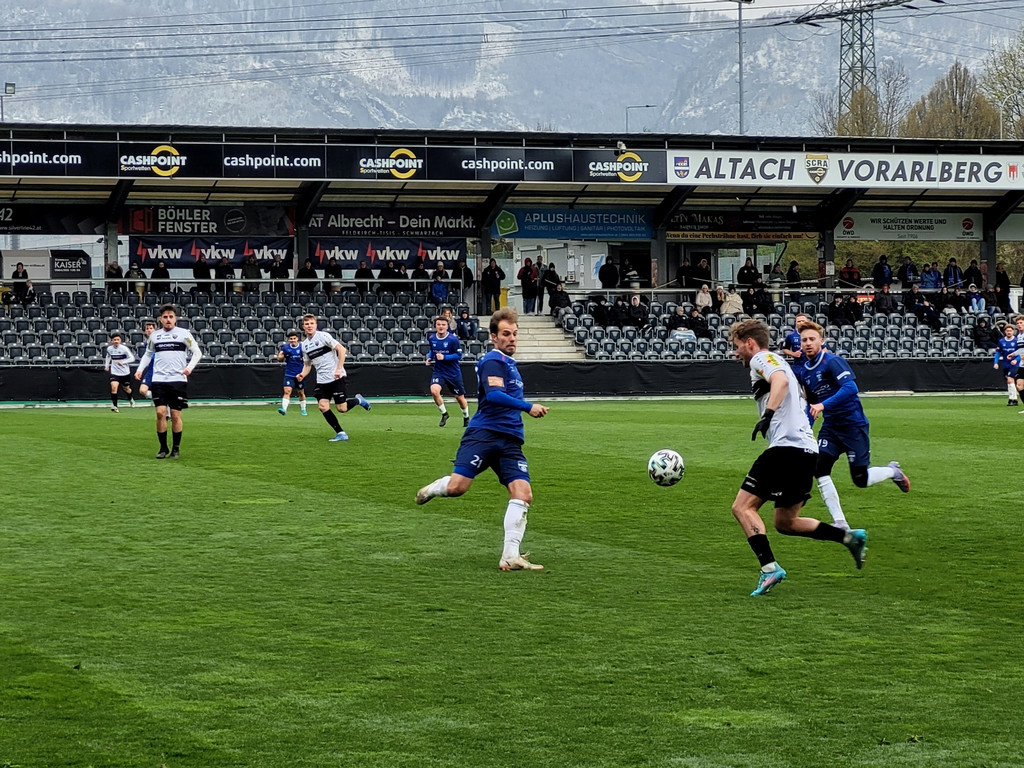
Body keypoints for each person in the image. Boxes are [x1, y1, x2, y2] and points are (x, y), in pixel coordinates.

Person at [728, 318, 867, 597]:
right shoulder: (782, 362)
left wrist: (768, 414)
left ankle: (769, 569)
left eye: (737, 346)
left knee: (742, 508)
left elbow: (778, 382)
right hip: (806, 451)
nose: (736, 353)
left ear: (750, 343)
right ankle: (849, 538)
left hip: (786, 448)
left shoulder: (761, 358)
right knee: (786, 522)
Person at [416, 307, 549, 571]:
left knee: (523, 493)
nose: (511, 338)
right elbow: (495, 396)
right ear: (493, 336)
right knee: (457, 488)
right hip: (484, 435)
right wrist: (527, 406)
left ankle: (510, 555)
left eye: (514, 334)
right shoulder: (492, 361)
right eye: (506, 334)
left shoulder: (509, 364)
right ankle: (432, 489)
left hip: (510, 440)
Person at [796, 320, 910, 532]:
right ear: (800, 344)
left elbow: (851, 387)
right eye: (804, 340)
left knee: (860, 479)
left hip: (853, 426)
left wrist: (823, 404)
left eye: (812, 339)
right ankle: (840, 522)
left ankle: (892, 471)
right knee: (819, 469)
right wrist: (806, 429)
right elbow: (812, 406)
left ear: (822, 341)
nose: (808, 343)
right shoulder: (805, 372)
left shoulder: (832, 362)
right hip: (831, 428)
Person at [134, 304, 203, 459]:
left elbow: (197, 353)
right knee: (160, 413)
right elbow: (147, 354)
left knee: (176, 415)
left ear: (175, 318)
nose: (168, 319)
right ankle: (163, 447)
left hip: (178, 380)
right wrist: (140, 369)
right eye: (165, 317)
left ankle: (176, 449)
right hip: (159, 379)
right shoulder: (155, 336)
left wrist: (189, 368)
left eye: (171, 316)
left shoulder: (184, 334)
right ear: (161, 319)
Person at [294, 313, 371, 442]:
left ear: (316, 325)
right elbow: (307, 364)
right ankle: (341, 433)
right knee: (323, 407)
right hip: (322, 380)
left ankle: (358, 400)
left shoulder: (323, 336)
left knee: (342, 408)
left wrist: (339, 368)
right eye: (306, 324)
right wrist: (302, 374)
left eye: (311, 323)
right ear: (303, 327)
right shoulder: (305, 345)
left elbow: (342, 350)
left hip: (336, 377)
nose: (309, 326)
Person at [425, 315, 471, 428]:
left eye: (443, 325)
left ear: (447, 326)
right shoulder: (432, 338)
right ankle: (444, 414)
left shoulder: (453, 340)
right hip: (439, 371)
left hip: (453, 373)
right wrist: (429, 357)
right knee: (434, 390)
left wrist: (445, 357)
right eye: (439, 324)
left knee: (459, 397)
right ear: (435, 326)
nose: (441, 327)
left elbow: (459, 355)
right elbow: (432, 350)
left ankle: (466, 417)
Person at [276, 330, 308, 416]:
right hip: (289, 373)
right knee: (287, 391)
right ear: (289, 340)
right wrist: (280, 356)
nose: (293, 340)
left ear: (297, 339)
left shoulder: (302, 348)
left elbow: (307, 360)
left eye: (294, 338)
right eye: (291, 339)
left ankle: (303, 409)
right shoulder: (285, 348)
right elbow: (280, 358)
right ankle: (284, 409)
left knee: (301, 392)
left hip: (300, 374)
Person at [104, 332, 136, 412]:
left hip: (124, 372)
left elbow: (132, 358)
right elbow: (108, 357)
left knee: (127, 389)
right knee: (114, 387)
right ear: (112, 341)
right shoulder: (109, 349)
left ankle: (131, 399)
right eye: (114, 340)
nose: (116, 341)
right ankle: (115, 406)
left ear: (120, 340)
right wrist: (107, 365)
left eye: (118, 340)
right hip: (114, 371)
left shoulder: (124, 349)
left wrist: (124, 362)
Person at [993, 322, 1020, 407]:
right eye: (1007, 331)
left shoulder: (1016, 341)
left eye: (1010, 331)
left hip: (1015, 364)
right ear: (1005, 332)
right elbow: (998, 353)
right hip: (1006, 364)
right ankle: (1012, 399)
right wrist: (996, 363)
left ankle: (1013, 399)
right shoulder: (1001, 341)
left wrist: (1016, 360)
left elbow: (1021, 352)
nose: (1009, 332)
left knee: (1010, 379)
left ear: (1013, 332)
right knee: (1009, 382)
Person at [136, 320, 157, 399]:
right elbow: (147, 356)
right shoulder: (147, 343)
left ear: (155, 330)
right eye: (147, 329)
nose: (149, 330)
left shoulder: (159, 340)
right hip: (151, 369)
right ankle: (158, 397)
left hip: (160, 369)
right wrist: (140, 369)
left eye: (151, 328)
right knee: (143, 390)